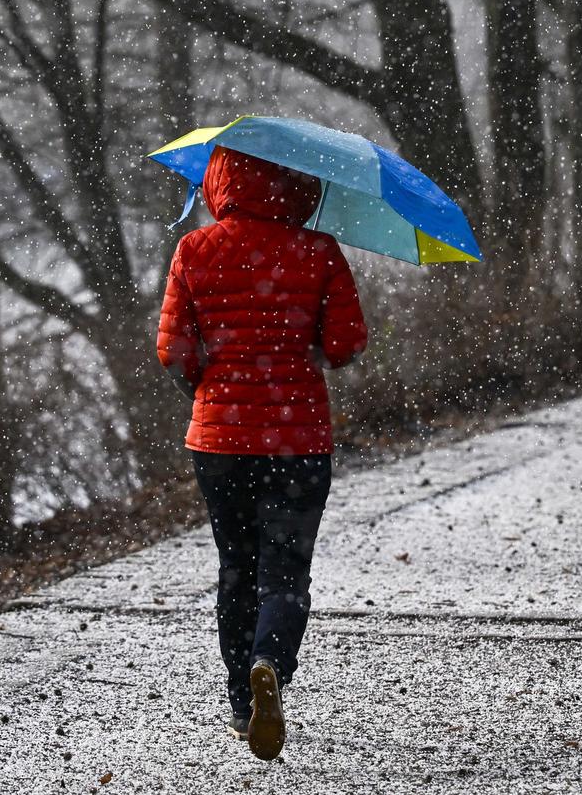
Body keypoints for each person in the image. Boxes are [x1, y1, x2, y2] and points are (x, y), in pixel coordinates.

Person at [155, 144, 368, 761]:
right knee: (286, 568)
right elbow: (347, 342)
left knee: (236, 565)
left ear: (220, 180)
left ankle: (242, 702)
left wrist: (207, 381)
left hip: (220, 442)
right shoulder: (319, 250)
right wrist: (310, 357)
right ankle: (270, 660)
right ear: (297, 184)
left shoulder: (194, 249)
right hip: (297, 438)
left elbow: (174, 351)